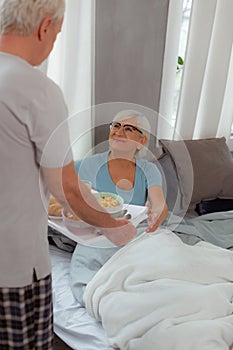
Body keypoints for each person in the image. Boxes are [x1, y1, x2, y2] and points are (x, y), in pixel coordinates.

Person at [0, 2, 135, 349]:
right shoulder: (34, 89)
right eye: (57, 35)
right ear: (45, 27)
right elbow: (69, 190)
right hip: (13, 267)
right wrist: (114, 226)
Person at [70, 109, 168, 305]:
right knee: (92, 275)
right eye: (116, 126)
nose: (118, 132)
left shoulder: (149, 169)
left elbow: (159, 203)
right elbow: (54, 180)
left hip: (135, 231)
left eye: (129, 128)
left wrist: (156, 215)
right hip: (100, 235)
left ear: (141, 141)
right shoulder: (88, 165)